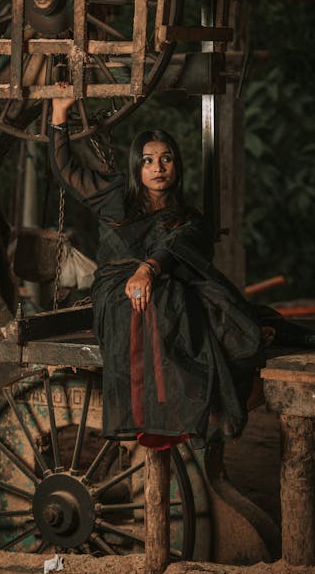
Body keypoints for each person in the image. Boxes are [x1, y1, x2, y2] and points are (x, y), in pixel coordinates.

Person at [49, 96, 265, 450]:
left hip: (160, 283)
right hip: (117, 293)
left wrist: (148, 268)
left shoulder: (188, 217)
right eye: (148, 160)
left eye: (166, 159)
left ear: (177, 166)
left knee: (211, 301)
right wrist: (60, 114)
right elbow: (68, 172)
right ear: (137, 167)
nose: (157, 167)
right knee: (164, 301)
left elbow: (184, 245)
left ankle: (206, 397)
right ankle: (161, 413)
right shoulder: (116, 194)